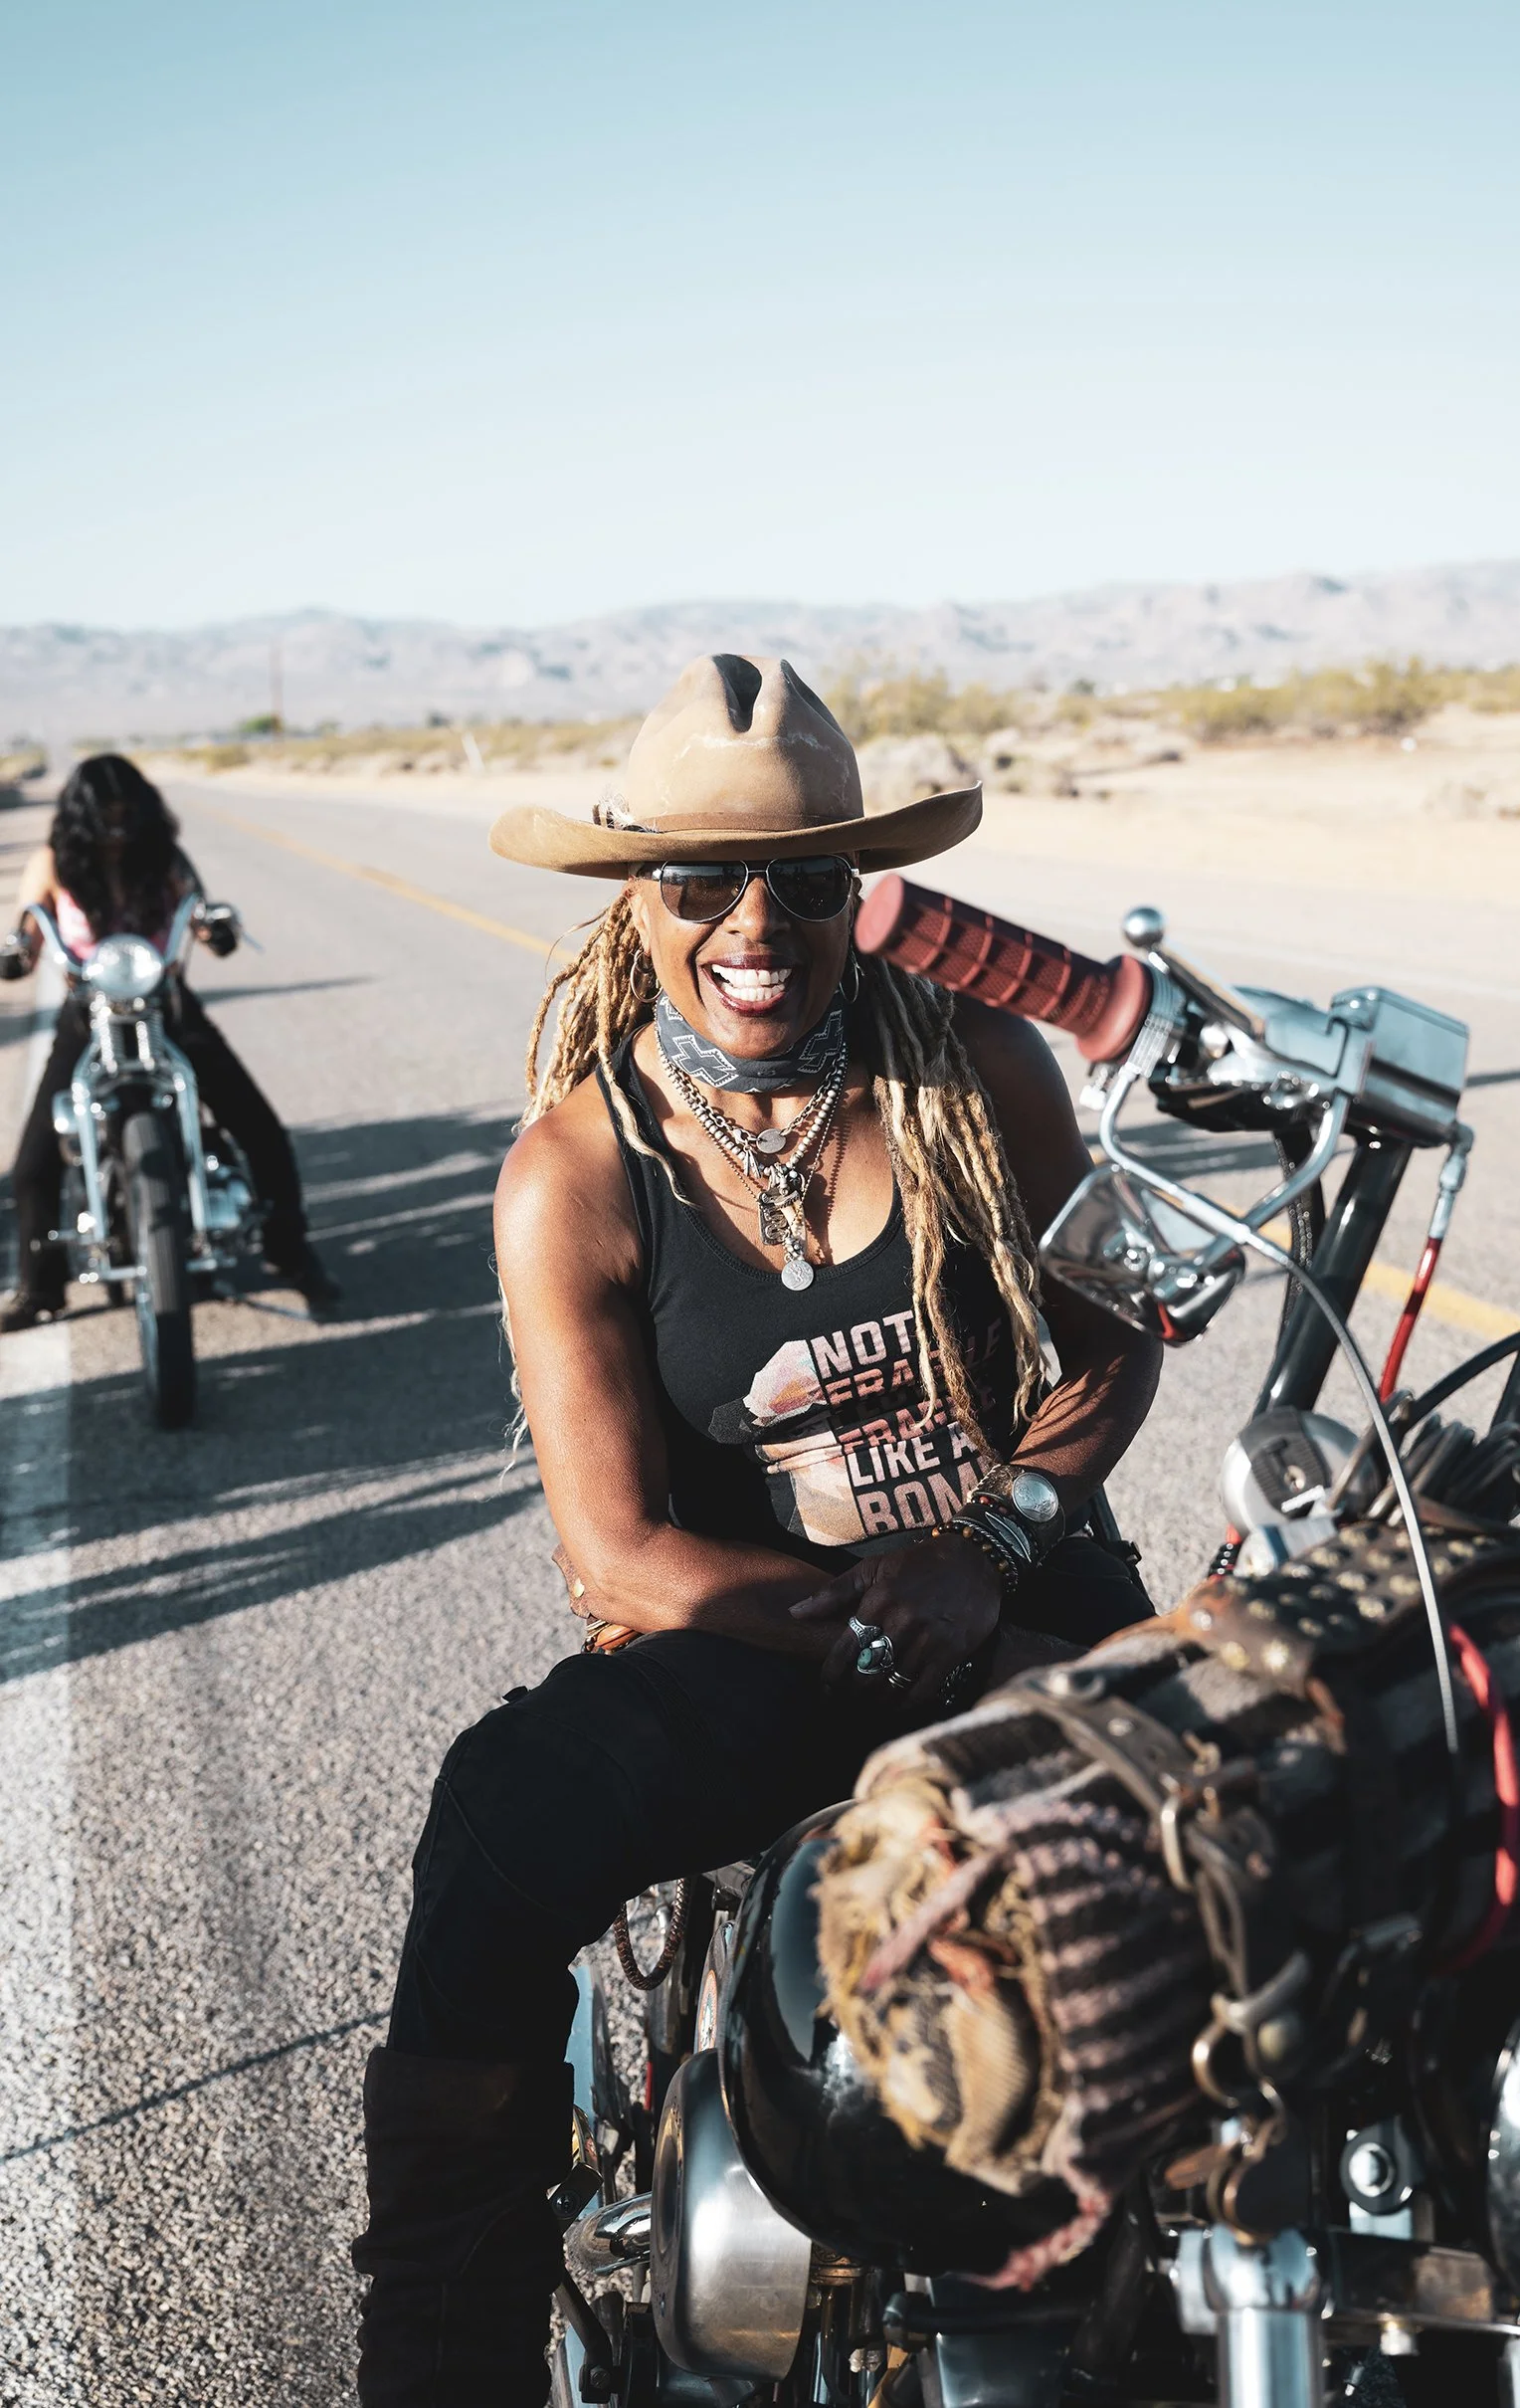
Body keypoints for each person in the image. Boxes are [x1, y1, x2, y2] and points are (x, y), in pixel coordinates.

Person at [352, 655, 1162, 2406]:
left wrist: (999, 1543)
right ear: (636, 898)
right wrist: (888, 1621)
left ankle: (1210, 2280)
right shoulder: (572, 1170)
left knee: (1251, 1807)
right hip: (750, 1643)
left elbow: (1111, 1335)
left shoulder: (975, 1067)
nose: (753, 923)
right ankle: (437, 2343)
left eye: (804, 881)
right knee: (496, 1822)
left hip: (1011, 1587)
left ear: (857, 894)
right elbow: (617, 1556)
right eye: (700, 880)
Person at [0, 752, 338, 1326]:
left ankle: (290, 1251)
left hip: (167, 1009)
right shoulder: (54, 864)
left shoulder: (165, 859)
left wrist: (214, 927)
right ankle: (40, 1290)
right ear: (80, 815)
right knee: (33, 1162)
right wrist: (15, 949)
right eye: (104, 813)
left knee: (260, 1128)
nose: (116, 824)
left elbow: (204, 919)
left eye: (125, 810)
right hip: (90, 1015)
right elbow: (26, 937)